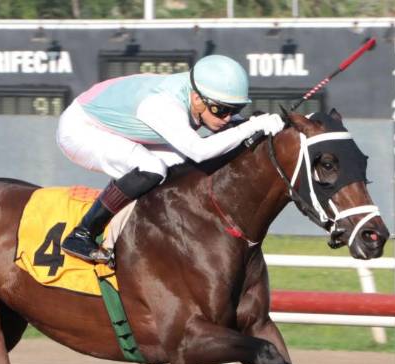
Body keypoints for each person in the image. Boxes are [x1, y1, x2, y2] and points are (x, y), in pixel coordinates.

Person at [56, 54, 285, 264]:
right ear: (197, 99)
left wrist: (258, 123)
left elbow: (229, 127)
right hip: (80, 129)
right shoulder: (162, 104)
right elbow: (200, 150)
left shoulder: (200, 92)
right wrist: (251, 127)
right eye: (221, 110)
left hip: (114, 125)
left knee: (181, 166)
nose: (227, 117)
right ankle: (82, 234)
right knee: (152, 167)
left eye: (234, 109)